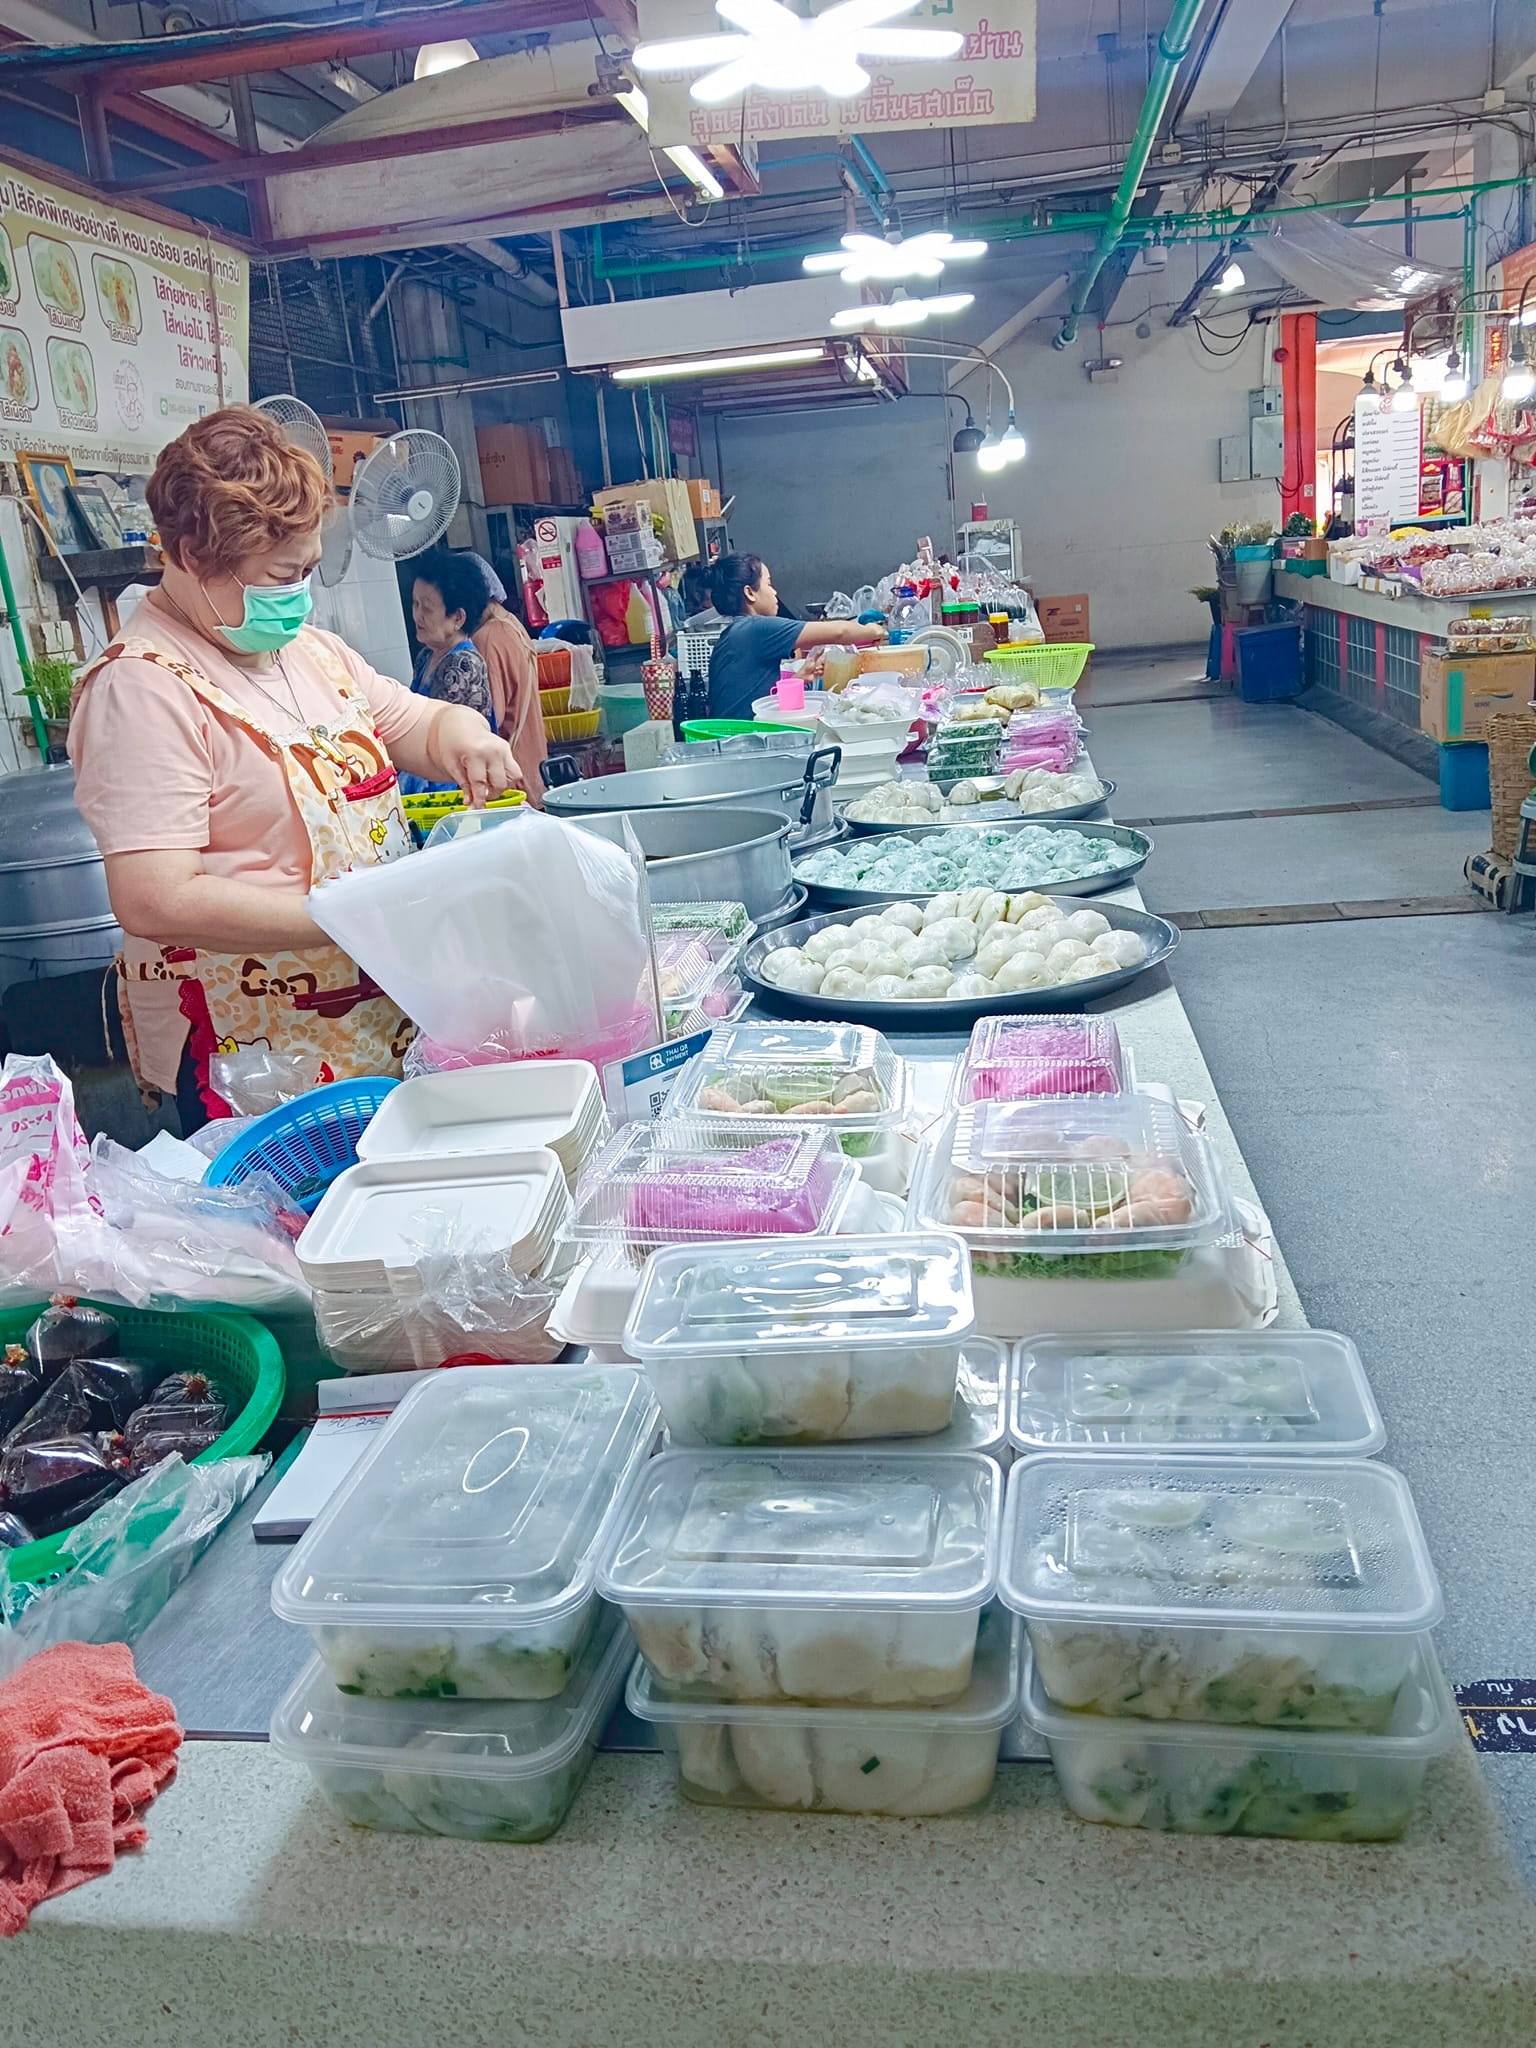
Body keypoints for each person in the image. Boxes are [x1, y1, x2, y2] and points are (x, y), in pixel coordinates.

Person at [69, 405, 525, 1129]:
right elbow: (154, 896)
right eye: (283, 574)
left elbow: (418, 722)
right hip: (255, 1054)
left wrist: (464, 737)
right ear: (191, 554)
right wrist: (350, 919)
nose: (300, 593)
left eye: (308, 569)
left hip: (375, 1019)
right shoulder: (141, 688)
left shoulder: (311, 653)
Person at [707, 553, 885, 719]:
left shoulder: (736, 632)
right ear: (750, 593)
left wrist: (798, 679)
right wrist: (873, 630)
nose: (774, 592)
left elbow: (752, 699)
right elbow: (840, 632)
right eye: (768, 584)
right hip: (743, 741)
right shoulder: (757, 629)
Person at [403, 553, 498, 795]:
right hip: (428, 777)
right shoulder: (427, 656)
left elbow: (433, 734)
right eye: (415, 604)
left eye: (427, 607)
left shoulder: (462, 663)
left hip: (456, 787)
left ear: (457, 617)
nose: (417, 615)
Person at [461, 552, 547, 805]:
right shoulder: (510, 623)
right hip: (532, 774)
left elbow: (488, 721)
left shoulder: (487, 638)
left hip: (511, 786)